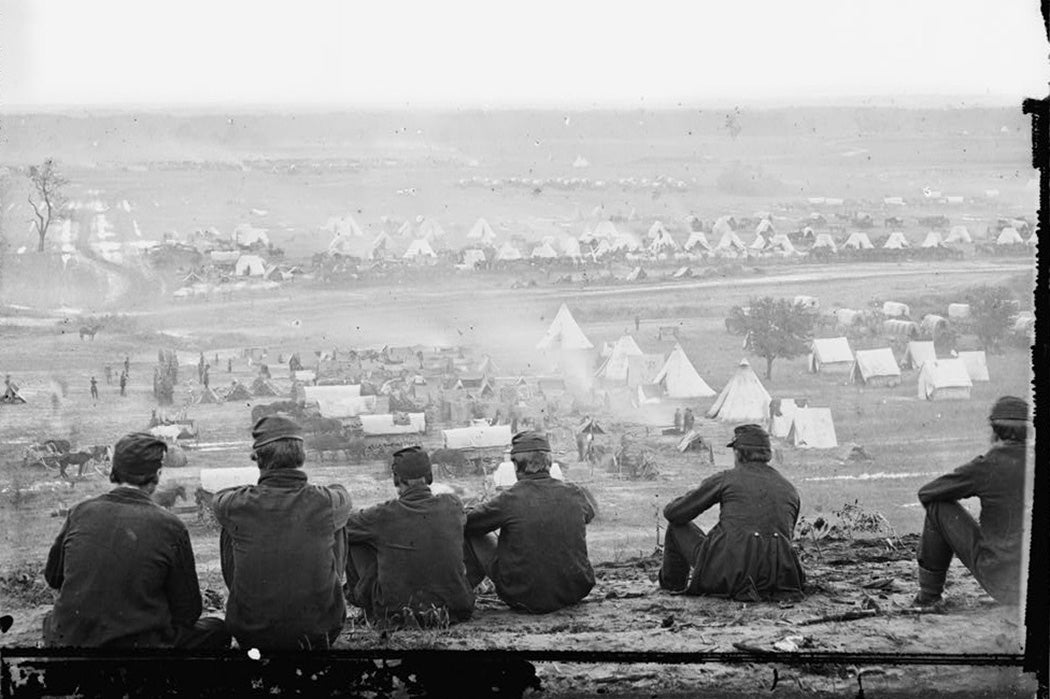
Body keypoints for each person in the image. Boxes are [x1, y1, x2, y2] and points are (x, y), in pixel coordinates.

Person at [43, 433, 229, 648]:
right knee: (216, 629)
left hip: (69, 641)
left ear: (113, 471)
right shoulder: (170, 525)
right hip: (137, 648)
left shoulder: (80, 511)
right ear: (158, 474)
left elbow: (53, 577)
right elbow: (188, 611)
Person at [214, 416, 352, 650]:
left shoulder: (235, 504)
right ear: (302, 456)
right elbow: (342, 493)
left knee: (231, 529)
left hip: (251, 634)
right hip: (320, 633)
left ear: (258, 459)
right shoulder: (327, 500)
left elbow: (219, 498)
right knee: (337, 524)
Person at [658, 423, 805, 602]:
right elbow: (786, 535)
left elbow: (674, 513)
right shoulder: (789, 489)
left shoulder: (727, 479)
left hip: (728, 575)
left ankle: (671, 588)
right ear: (768, 454)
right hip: (781, 578)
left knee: (676, 528)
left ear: (738, 453)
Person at [911, 396, 1029, 608]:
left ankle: (929, 596)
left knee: (938, 506)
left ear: (994, 432)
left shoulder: (989, 465)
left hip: (1005, 583)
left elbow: (928, 493)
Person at [464, 431, 596, 613]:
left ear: (517, 465)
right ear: (549, 462)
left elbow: (468, 523)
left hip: (522, 595)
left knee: (475, 534)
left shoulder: (510, 499)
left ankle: (460, 592)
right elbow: (588, 515)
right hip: (576, 590)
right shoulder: (574, 492)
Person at [344, 447, 474, 627]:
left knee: (354, 538)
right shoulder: (452, 504)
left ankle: (361, 602)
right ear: (429, 476)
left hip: (395, 612)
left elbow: (344, 527)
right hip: (456, 608)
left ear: (397, 479)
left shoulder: (381, 514)